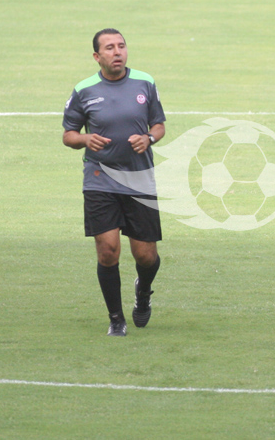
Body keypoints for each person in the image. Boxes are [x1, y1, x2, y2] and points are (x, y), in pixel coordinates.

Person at [63, 29, 166, 336]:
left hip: (139, 180)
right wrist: (84, 138)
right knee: (108, 251)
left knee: (146, 256)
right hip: (99, 180)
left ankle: (143, 291)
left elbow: (159, 126)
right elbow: (68, 135)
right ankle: (116, 320)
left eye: (121, 46)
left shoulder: (145, 82)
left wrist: (148, 138)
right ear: (97, 56)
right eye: (109, 48)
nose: (117, 51)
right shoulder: (84, 90)